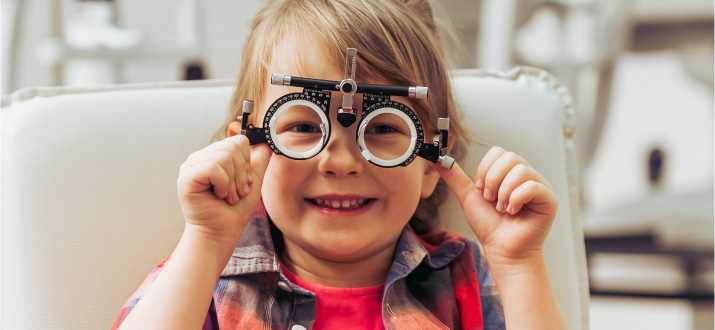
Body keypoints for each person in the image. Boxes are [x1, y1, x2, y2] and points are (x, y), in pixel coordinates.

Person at [113, 0, 567, 329]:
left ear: (430, 163)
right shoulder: (206, 280)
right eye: (305, 127)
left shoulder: (463, 279)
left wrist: (519, 263)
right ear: (248, 155)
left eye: (383, 129)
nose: (343, 161)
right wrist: (207, 240)